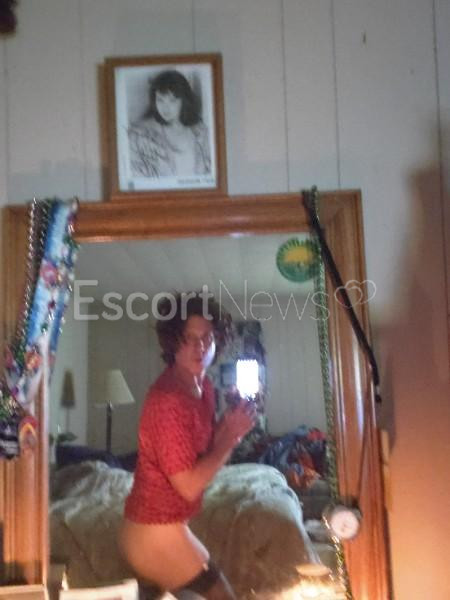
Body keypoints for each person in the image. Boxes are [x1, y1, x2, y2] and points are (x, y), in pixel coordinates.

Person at [119, 292, 255, 599]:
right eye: (189, 338)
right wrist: (230, 438)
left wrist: (230, 425)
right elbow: (189, 485)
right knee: (222, 595)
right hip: (151, 530)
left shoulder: (203, 386)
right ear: (172, 343)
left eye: (207, 337)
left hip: (169, 526)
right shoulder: (169, 400)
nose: (200, 346)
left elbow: (201, 451)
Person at [128, 70, 211, 179]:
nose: (165, 107)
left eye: (172, 100)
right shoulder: (141, 133)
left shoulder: (201, 131)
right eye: (160, 100)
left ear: (184, 101)